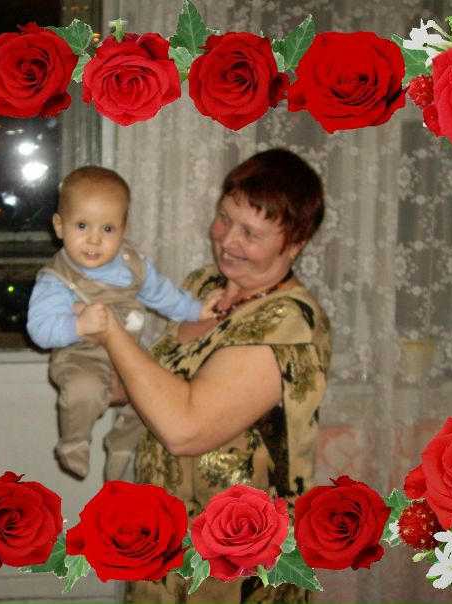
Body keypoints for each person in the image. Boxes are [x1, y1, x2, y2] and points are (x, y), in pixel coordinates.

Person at [86, 149, 332, 603]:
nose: (227, 240)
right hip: (165, 534)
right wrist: (125, 386)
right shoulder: (205, 284)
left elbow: (185, 429)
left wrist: (110, 333)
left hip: (234, 561)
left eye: (251, 233)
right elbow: (173, 381)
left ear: (295, 243)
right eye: (224, 218)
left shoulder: (290, 324)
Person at [27, 166, 220, 481]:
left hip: (129, 350)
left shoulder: (132, 263)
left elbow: (163, 295)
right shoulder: (57, 279)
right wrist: (78, 326)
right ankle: (74, 442)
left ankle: (121, 445)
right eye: (82, 225)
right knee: (83, 390)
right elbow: (39, 329)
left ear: (124, 229)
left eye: (108, 229)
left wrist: (197, 311)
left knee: (156, 394)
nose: (94, 239)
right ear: (59, 226)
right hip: (80, 355)